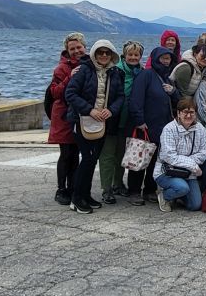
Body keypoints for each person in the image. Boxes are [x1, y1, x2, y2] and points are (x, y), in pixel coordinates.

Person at [64, 39, 124, 214]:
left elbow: (120, 96)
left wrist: (110, 110)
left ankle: (86, 195)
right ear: (94, 54)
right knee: (88, 158)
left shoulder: (115, 73)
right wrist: (89, 110)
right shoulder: (84, 70)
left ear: (112, 55)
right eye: (100, 52)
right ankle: (76, 198)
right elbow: (70, 93)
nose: (104, 55)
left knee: (93, 159)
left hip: (102, 122)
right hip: (82, 120)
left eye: (107, 52)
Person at [127, 46, 180, 205]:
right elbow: (135, 99)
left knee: (156, 160)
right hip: (145, 125)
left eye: (168, 58)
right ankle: (134, 191)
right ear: (156, 59)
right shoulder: (146, 75)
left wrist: (173, 92)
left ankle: (149, 189)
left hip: (163, 127)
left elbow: (178, 101)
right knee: (139, 159)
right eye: (163, 58)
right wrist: (139, 120)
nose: (166, 61)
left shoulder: (167, 79)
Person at [100, 40, 142, 203]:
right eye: (130, 54)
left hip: (129, 121)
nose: (133, 57)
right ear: (124, 55)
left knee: (121, 155)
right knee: (108, 155)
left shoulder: (141, 73)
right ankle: (106, 189)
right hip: (112, 119)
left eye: (136, 55)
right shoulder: (115, 71)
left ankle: (117, 183)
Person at [48, 32, 86, 205]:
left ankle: (72, 187)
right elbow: (55, 93)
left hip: (80, 115)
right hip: (63, 116)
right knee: (66, 153)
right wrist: (69, 77)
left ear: (84, 47)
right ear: (67, 50)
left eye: (79, 47)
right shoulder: (61, 68)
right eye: (72, 49)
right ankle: (61, 189)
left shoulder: (89, 64)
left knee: (76, 153)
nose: (76, 51)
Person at [153, 97, 206, 212]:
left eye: (191, 112)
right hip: (167, 171)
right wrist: (192, 165)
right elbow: (169, 156)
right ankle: (164, 195)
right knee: (182, 187)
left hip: (188, 173)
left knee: (195, 205)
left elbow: (203, 152)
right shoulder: (169, 129)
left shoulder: (200, 129)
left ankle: (179, 194)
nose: (188, 115)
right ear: (178, 113)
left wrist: (184, 162)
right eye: (185, 112)